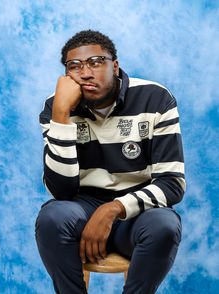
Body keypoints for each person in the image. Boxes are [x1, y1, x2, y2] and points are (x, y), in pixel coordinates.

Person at [35, 29, 185, 294]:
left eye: (96, 61)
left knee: (165, 224)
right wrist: (61, 115)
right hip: (81, 212)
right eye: (74, 66)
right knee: (52, 217)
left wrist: (113, 209)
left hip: (138, 215)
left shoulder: (156, 98)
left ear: (115, 66)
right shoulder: (56, 106)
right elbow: (62, 191)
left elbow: (172, 184)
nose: (85, 72)